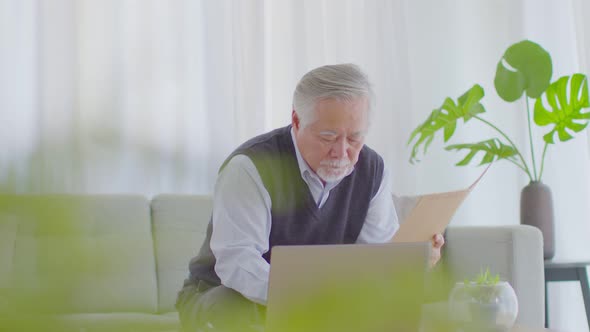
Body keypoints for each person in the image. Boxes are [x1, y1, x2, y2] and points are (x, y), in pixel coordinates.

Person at [176, 63, 445, 332]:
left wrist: (414, 259)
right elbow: (238, 265)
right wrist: (315, 301)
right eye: (328, 137)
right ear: (296, 121)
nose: (341, 152)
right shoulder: (249, 167)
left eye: (354, 138)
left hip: (324, 304)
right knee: (232, 306)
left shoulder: (373, 169)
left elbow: (375, 258)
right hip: (229, 295)